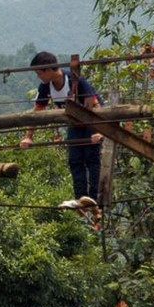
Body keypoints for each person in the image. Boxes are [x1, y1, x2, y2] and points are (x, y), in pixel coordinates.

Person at [19, 51, 104, 212]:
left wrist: (98, 131)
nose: (39, 77)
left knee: (91, 159)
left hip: (91, 121)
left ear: (48, 70)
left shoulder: (75, 80)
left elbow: (95, 105)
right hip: (73, 124)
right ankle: (81, 199)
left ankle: (94, 199)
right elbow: (37, 111)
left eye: (39, 73)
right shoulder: (46, 87)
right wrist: (28, 137)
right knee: (74, 160)